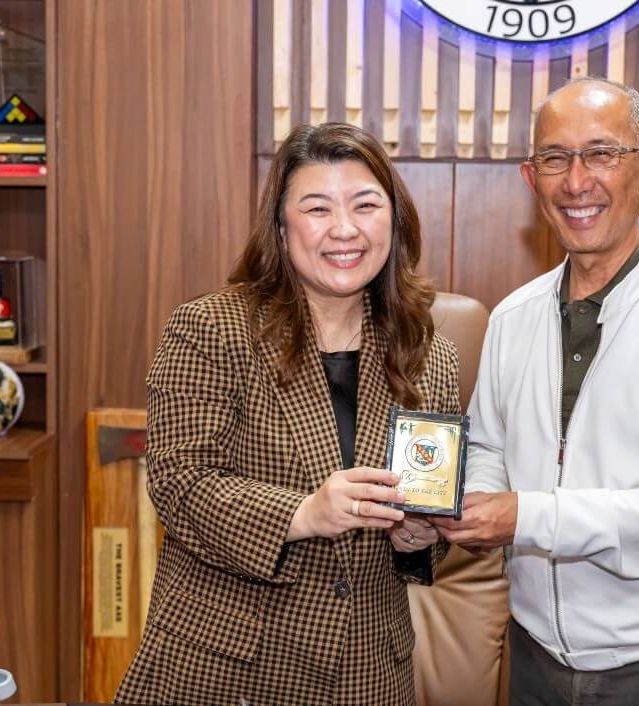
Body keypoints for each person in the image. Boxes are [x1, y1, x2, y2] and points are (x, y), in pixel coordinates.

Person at [432, 77, 639, 706]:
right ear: (533, 180)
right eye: (555, 158)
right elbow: (487, 449)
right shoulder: (511, 318)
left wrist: (528, 516)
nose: (576, 180)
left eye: (602, 153)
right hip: (537, 653)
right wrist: (463, 507)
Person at [115, 122, 458, 706]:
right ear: (281, 225)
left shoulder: (429, 355)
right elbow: (178, 483)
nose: (344, 229)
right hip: (228, 669)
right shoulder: (210, 329)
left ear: (394, 222)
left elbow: (425, 514)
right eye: (317, 208)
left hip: (368, 670)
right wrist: (304, 512)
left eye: (366, 205)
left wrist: (420, 536)